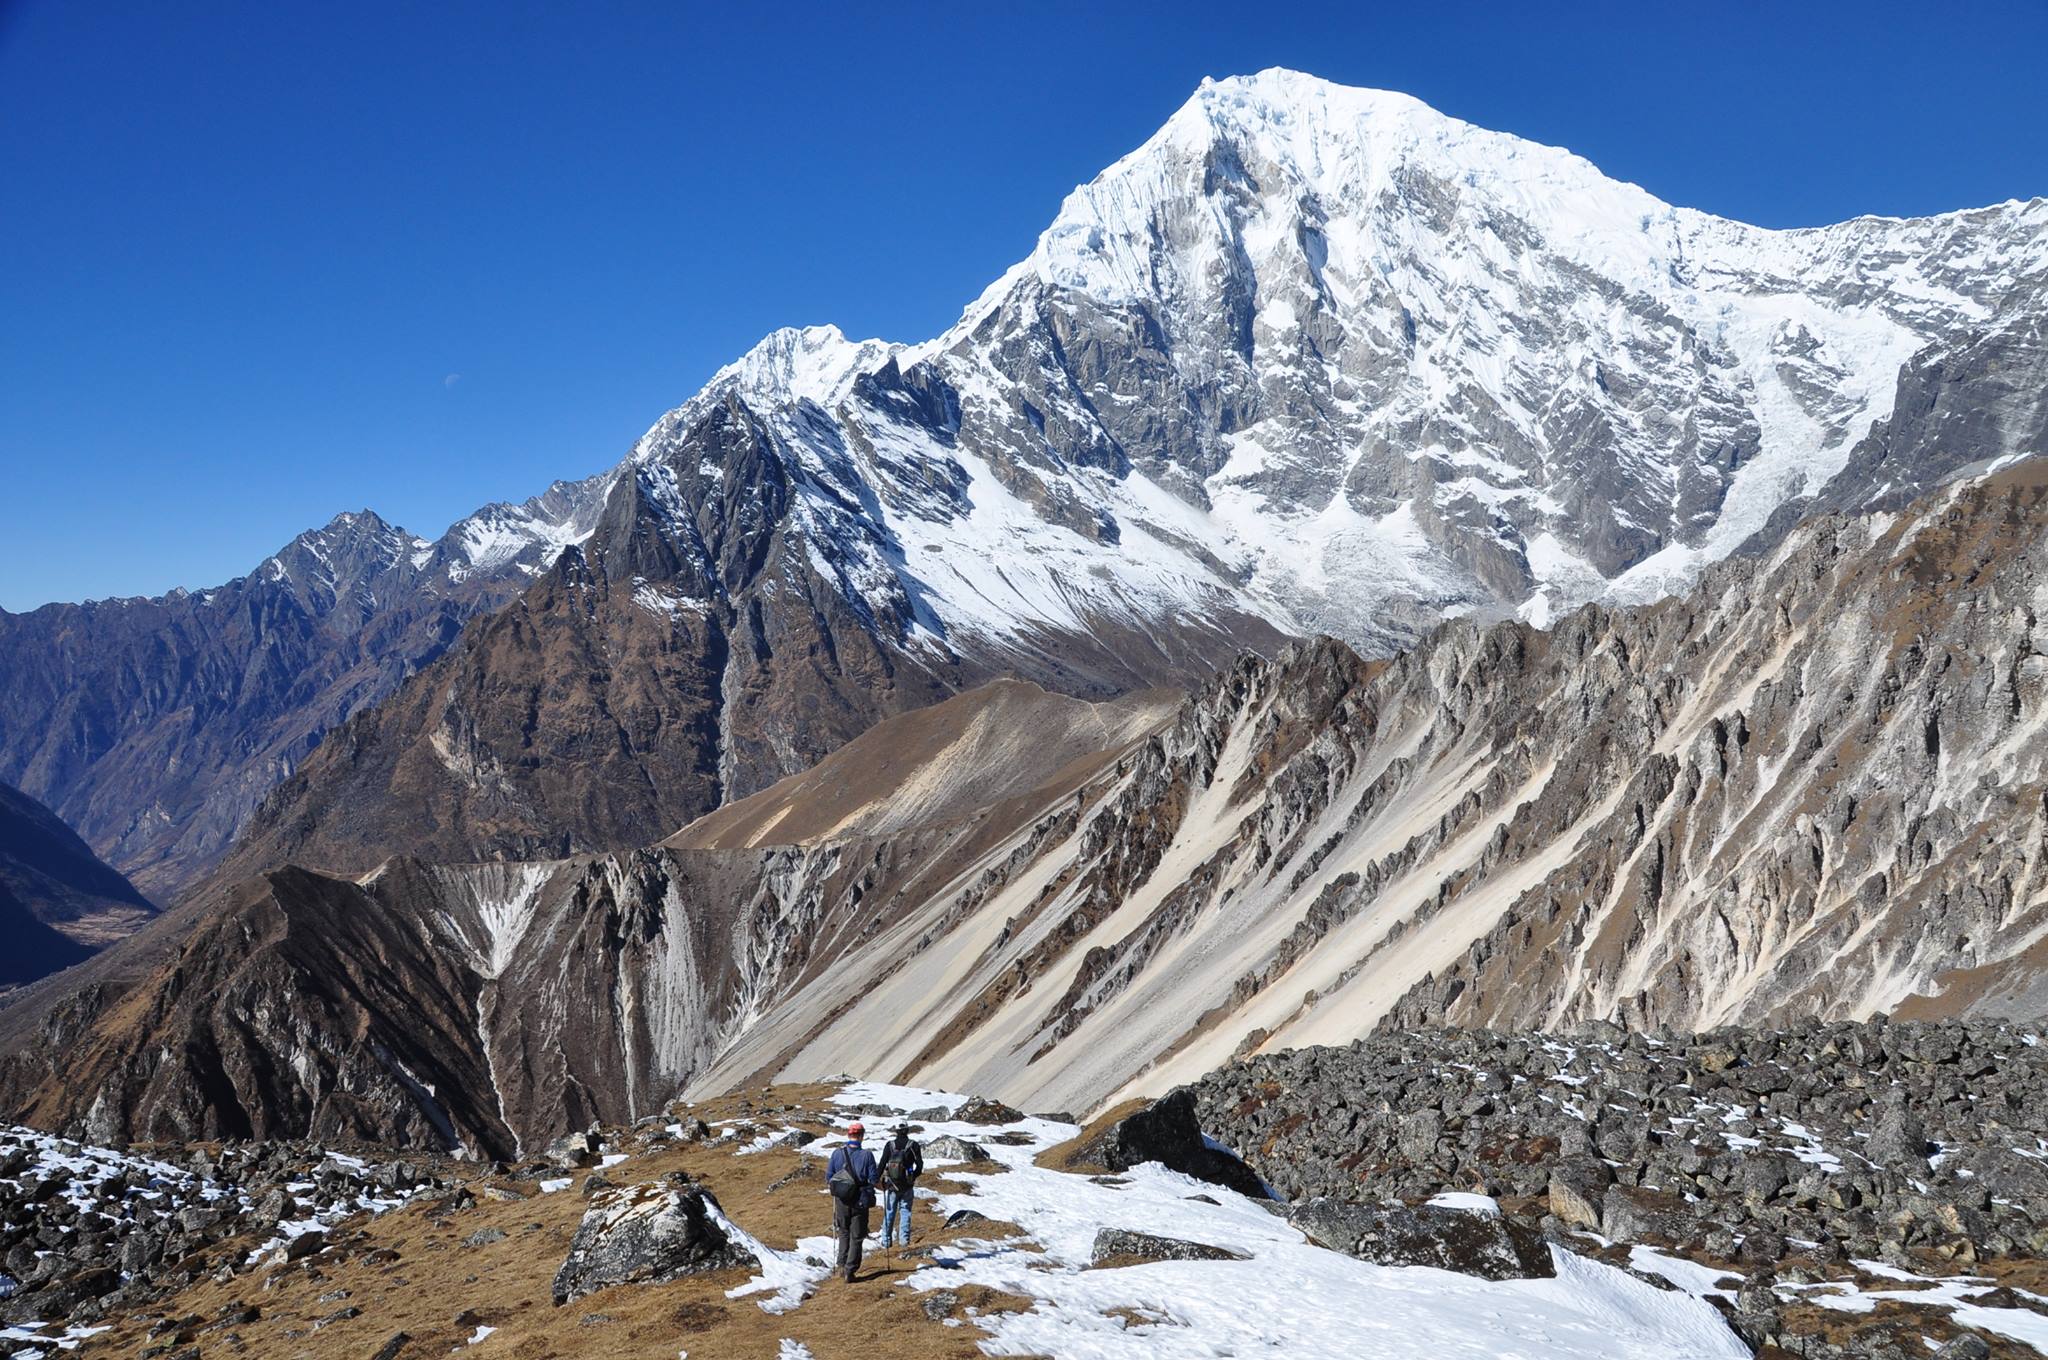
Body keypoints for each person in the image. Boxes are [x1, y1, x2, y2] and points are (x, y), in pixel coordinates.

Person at [825, 1121, 880, 1282]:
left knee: (843, 1232)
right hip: (860, 1200)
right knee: (857, 1236)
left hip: (842, 1200)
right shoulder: (867, 1155)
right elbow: (873, 1178)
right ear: (861, 1136)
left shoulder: (837, 1153)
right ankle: (850, 1270)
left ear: (849, 1135)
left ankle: (841, 1265)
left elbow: (829, 1177)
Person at [875, 1122, 924, 1250]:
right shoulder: (913, 1145)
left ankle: (886, 1241)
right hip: (907, 1186)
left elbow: (881, 1165)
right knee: (905, 1212)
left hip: (891, 1185)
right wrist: (913, 1176)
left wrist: (876, 1180)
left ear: (896, 1131)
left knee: (889, 1212)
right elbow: (919, 1165)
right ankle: (904, 1241)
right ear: (907, 1130)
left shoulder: (890, 1146)